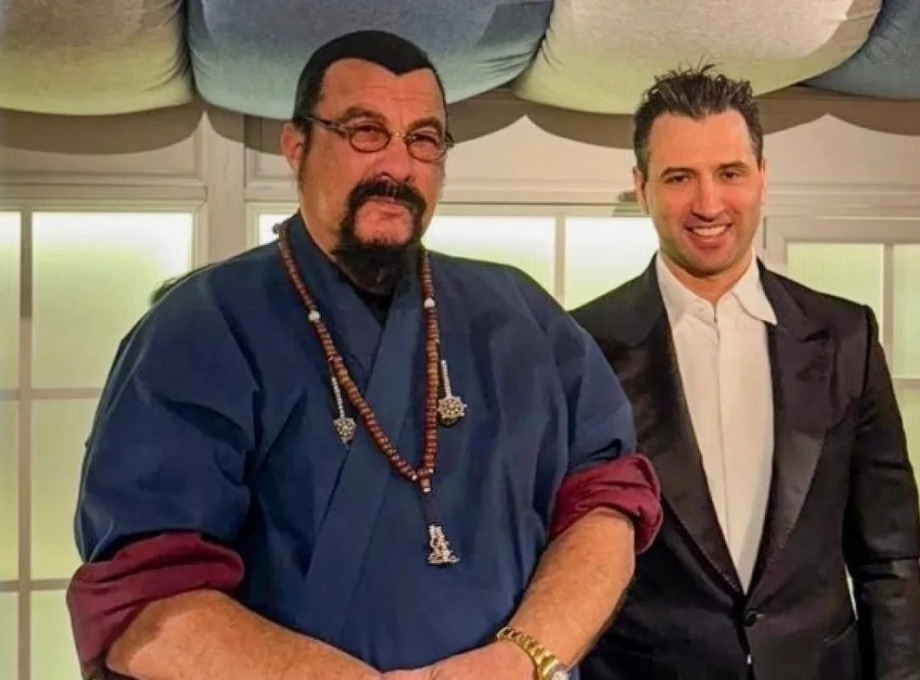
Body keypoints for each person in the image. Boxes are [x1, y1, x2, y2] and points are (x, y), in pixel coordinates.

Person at [66, 30, 662, 680]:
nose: (398, 167)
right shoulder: (199, 327)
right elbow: (143, 601)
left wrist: (522, 657)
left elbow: (606, 504)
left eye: (424, 139)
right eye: (365, 132)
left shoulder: (522, 316)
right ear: (296, 146)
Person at [572, 66, 920, 680]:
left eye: (730, 173)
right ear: (641, 188)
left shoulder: (846, 336)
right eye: (679, 177)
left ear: (762, 177)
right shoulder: (581, 346)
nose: (708, 204)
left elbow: (889, 558)